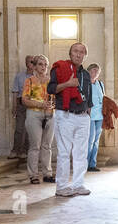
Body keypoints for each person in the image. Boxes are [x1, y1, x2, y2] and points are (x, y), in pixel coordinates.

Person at [48, 42, 94, 197]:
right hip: (65, 115)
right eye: (76, 51)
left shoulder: (86, 74)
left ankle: (78, 185)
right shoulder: (60, 68)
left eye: (82, 52)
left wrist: (88, 112)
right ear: (70, 53)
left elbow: (89, 96)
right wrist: (67, 84)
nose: (79, 54)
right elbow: (51, 89)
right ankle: (61, 187)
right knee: (64, 152)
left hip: (83, 117)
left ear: (85, 55)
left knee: (81, 152)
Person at [21, 56, 55, 184]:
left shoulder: (51, 81)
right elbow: (24, 100)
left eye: (45, 64)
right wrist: (41, 105)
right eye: (40, 64)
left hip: (50, 114)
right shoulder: (29, 81)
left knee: (47, 145)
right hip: (34, 114)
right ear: (34, 66)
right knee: (35, 145)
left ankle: (47, 173)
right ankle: (33, 175)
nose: (43, 67)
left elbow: (56, 97)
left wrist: (52, 105)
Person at [9, 55, 32, 161]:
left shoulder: (37, 77)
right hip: (21, 105)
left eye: (32, 62)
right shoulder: (19, 76)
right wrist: (14, 106)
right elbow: (15, 92)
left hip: (32, 105)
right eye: (29, 62)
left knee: (28, 130)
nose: (31, 64)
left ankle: (24, 151)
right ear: (26, 63)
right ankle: (15, 150)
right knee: (19, 129)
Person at [87, 63, 105, 171]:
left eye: (97, 71)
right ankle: (85, 164)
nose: (95, 73)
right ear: (88, 71)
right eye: (93, 70)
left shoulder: (100, 84)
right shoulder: (85, 84)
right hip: (90, 115)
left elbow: (103, 98)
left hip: (100, 115)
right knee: (90, 139)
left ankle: (92, 164)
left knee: (96, 140)